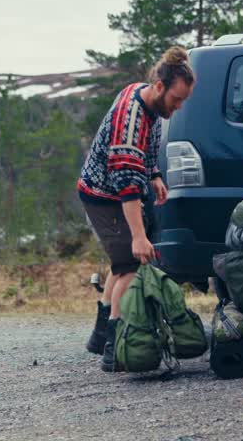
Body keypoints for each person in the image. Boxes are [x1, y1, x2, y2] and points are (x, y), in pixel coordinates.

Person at [79, 46, 195, 371]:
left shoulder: (148, 102)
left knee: (121, 265)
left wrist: (155, 174)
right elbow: (127, 184)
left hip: (114, 191)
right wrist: (139, 236)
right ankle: (115, 350)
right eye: (177, 99)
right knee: (130, 266)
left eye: (183, 100)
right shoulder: (130, 118)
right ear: (160, 86)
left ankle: (100, 335)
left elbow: (149, 146)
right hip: (105, 196)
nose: (179, 105)